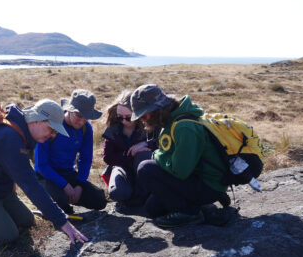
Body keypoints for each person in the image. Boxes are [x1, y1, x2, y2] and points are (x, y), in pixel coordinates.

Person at [0, 99, 88, 244]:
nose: (53, 135)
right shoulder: (10, 138)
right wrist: (63, 223)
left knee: (26, 221)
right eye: (52, 129)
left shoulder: (23, 132)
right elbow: (31, 186)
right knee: (7, 235)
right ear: (36, 121)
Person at [130, 84, 231, 228]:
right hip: (199, 177)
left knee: (146, 169)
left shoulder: (184, 127)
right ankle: (204, 205)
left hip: (208, 184)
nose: (142, 120)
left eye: (144, 114)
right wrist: (161, 156)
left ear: (157, 109)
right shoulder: (171, 120)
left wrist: (156, 155)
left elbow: (180, 171)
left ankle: (191, 213)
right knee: (153, 208)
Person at [34, 89, 107, 215]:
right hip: (46, 176)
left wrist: (79, 185)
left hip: (69, 174)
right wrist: (65, 186)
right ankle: (52, 199)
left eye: (86, 118)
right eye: (78, 115)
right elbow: (41, 166)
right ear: (69, 109)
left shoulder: (86, 129)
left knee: (99, 200)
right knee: (61, 203)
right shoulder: (51, 125)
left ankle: (64, 198)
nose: (81, 121)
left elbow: (85, 159)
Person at [101, 90, 156, 206]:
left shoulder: (150, 125)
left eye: (128, 117)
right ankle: (132, 193)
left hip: (145, 172)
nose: (124, 121)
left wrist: (146, 145)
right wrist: (129, 153)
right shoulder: (114, 129)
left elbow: (161, 144)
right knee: (117, 193)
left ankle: (142, 195)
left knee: (143, 155)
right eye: (120, 117)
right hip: (123, 168)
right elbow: (108, 158)